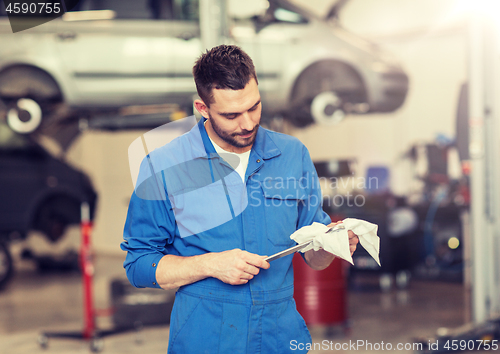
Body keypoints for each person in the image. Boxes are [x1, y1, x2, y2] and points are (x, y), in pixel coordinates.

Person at [121, 44, 359, 353]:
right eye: (231, 115)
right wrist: (210, 264)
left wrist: (332, 246)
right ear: (202, 108)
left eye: (254, 107)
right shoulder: (163, 166)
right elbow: (139, 264)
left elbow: (312, 255)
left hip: (279, 335)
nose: (247, 124)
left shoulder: (292, 155)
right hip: (206, 336)